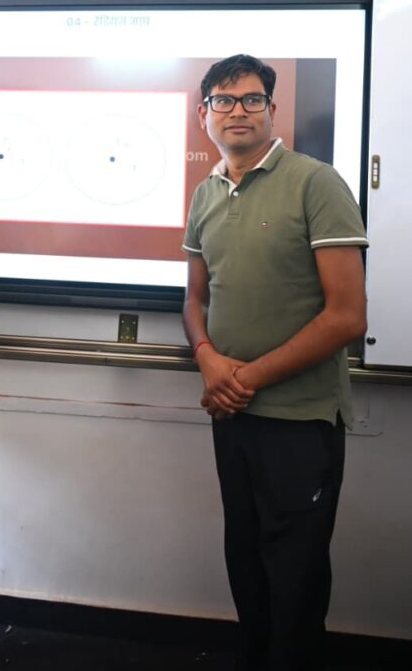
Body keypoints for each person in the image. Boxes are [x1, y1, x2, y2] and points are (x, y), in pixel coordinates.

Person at [182, 54, 367, 671]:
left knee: (296, 577)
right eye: (224, 100)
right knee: (247, 563)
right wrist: (206, 358)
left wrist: (241, 379)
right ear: (204, 113)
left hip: (300, 419)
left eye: (252, 99)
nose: (238, 110)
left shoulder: (316, 182)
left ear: (272, 109)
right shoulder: (205, 192)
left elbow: (348, 317)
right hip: (232, 415)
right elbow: (195, 299)